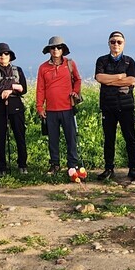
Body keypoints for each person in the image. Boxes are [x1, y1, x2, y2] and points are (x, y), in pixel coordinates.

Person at [94, 31, 135, 182]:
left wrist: (109, 81)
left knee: (130, 138)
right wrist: (120, 77)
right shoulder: (102, 60)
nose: (116, 44)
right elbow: (99, 77)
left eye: (119, 42)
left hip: (126, 106)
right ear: (108, 44)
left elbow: (131, 80)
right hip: (108, 106)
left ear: (124, 44)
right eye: (113, 41)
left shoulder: (129, 62)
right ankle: (109, 168)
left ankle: (133, 169)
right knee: (109, 139)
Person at [36, 35, 84, 177]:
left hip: (68, 108)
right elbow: (40, 89)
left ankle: (72, 164)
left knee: (71, 138)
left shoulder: (70, 64)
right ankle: (55, 164)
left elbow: (78, 80)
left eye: (58, 47)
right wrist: (39, 107)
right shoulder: (43, 67)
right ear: (49, 50)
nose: (55, 50)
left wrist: (75, 92)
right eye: (53, 48)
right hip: (50, 110)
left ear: (63, 49)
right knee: (53, 139)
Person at [0, 42, 29, 176]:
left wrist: (8, 90)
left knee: (20, 136)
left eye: (6, 53)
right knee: (0, 137)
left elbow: (24, 89)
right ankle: (1, 167)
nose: (3, 56)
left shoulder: (18, 70)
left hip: (16, 107)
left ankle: (22, 164)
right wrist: (14, 86)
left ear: (10, 56)